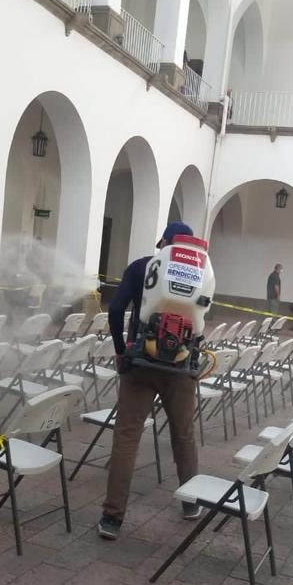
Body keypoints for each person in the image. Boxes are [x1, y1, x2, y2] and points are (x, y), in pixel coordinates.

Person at [97, 222, 202, 540]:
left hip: (140, 362)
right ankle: (190, 502)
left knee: (127, 438)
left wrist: (121, 349)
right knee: (183, 434)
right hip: (181, 367)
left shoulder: (141, 267)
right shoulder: (198, 273)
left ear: (164, 243)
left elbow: (115, 309)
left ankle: (112, 518)